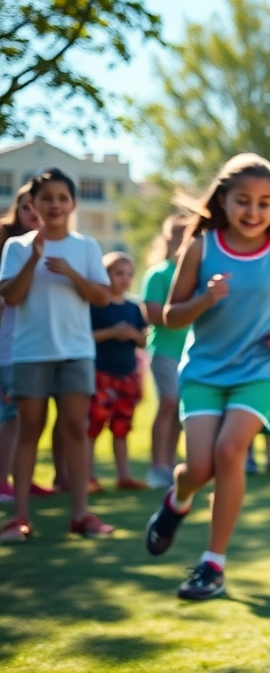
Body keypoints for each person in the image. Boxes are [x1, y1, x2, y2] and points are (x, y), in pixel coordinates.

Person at [143, 154, 270, 599]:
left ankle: (213, 564)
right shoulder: (201, 247)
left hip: (262, 370)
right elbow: (170, 316)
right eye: (243, 201)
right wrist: (204, 301)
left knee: (230, 451)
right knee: (200, 467)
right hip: (205, 371)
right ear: (224, 201)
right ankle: (178, 498)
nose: (253, 211)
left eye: (265, 202)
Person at [0, 168, 113, 541]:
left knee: (75, 430)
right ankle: (19, 517)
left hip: (76, 352)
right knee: (29, 430)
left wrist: (71, 273)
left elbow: (102, 296)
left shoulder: (86, 246)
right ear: (33, 205)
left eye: (62, 198)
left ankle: (81, 514)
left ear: (73, 204)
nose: (55, 205)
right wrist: (34, 259)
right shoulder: (16, 248)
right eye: (46, 198)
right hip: (31, 353)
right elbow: (11, 297)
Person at [0, 183, 48, 503]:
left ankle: (21, 477)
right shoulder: (11, 249)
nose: (33, 213)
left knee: (30, 419)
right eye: (26, 206)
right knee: (11, 418)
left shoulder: (52, 246)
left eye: (37, 205)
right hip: (8, 350)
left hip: (36, 349)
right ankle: (2, 481)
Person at [87, 251, 149, 491]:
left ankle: (124, 476)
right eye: (118, 273)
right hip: (101, 375)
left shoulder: (134, 308)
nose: (125, 279)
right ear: (106, 275)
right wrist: (112, 332)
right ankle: (88, 477)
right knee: (94, 425)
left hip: (127, 376)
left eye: (129, 274)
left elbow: (144, 341)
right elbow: (86, 337)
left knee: (122, 427)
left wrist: (134, 336)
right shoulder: (97, 306)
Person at [142, 215, 191, 488]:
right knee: (169, 402)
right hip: (164, 350)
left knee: (181, 408)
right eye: (177, 234)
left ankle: (170, 461)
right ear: (167, 238)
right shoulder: (159, 273)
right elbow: (153, 314)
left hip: (189, 353)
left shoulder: (193, 273)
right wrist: (185, 313)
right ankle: (156, 466)